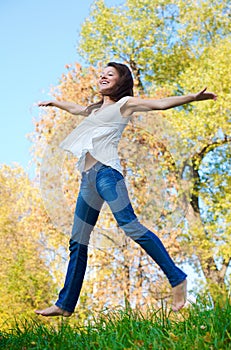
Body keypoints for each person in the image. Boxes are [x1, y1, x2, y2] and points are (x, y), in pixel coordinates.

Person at [35, 62, 217, 317]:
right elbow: (76, 109)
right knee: (77, 241)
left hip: (108, 175)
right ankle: (65, 304)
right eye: (102, 73)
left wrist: (192, 98)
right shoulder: (95, 110)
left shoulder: (125, 104)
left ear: (120, 81)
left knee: (129, 225)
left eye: (110, 74)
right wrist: (55, 103)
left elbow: (160, 103)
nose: (103, 76)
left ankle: (177, 279)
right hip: (87, 180)